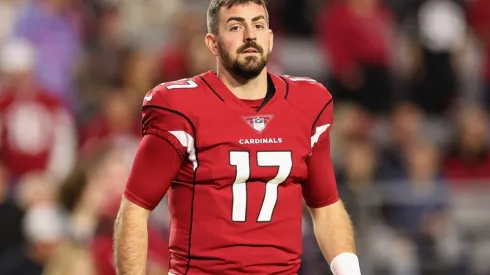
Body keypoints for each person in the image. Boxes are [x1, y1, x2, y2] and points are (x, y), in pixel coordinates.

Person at [113, 1, 361, 274]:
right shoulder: (180, 106)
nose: (250, 36)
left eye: (258, 25)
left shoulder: (308, 103)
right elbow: (136, 208)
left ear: (270, 37)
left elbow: (325, 206)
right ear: (213, 43)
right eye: (235, 26)